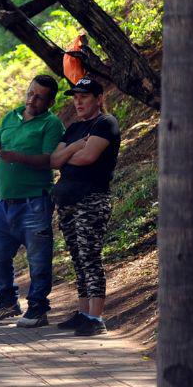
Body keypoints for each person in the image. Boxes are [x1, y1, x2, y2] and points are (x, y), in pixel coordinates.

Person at [0, 74, 65, 327]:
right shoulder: (12, 116)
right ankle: (6, 300)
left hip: (34, 200)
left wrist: (16, 156)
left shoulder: (51, 124)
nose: (31, 99)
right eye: (30, 93)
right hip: (5, 202)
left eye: (39, 97)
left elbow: (49, 159)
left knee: (38, 259)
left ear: (49, 101)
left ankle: (38, 307)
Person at [50, 77, 121, 336]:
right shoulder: (73, 130)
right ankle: (83, 313)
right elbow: (54, 160)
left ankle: (96, 317)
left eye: (85, 96)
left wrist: (69, 154)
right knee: (77, 257)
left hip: (92, 198)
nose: (78, 101)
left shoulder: (106, 123)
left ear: (99, 98)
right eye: (75, 97)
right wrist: (75, 148)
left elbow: (87, 157)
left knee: (90, 256)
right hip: (67, 199)